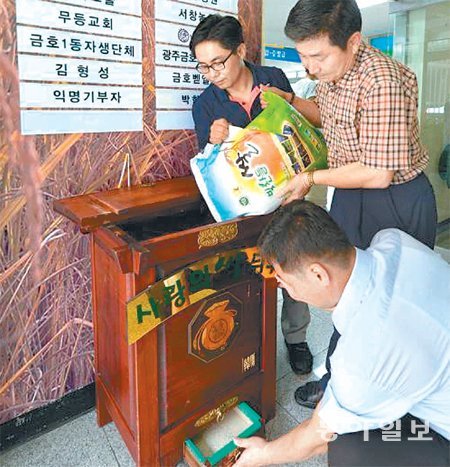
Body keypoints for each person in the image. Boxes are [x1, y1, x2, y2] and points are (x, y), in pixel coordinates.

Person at [263, 0, 437, 408]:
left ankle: (395, 393)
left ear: (353, 42)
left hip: (394, 199)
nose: (309, 67)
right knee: (348, 294)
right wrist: (287, 101)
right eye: (302, 56)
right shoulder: (333, 74)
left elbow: (378, 173)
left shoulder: (382, 80)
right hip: (352, 194)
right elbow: (326, 114)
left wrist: (310, 178)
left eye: (317, 56)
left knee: (390, 303)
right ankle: (339, 378)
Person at [233, 200, 450, 467]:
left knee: (347, 445)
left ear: (318, 274)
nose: (286, 290)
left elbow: (318, 437)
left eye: (284, 281)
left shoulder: (364, 354)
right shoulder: (393, 241)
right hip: (428, 372)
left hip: (442, 432)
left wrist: (263, 455)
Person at [189, 14, 313, 375]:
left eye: (217, 63)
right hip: (247, 208)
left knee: (294, 269)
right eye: (203, 67)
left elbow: (296, 129)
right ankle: (249, 344)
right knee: (249, 276)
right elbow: (207, 163)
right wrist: (213, 140)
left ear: (240, 50)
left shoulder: (273, 79)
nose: (212, 73)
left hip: (289, 197)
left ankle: (297, 339)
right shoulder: (205, 104)